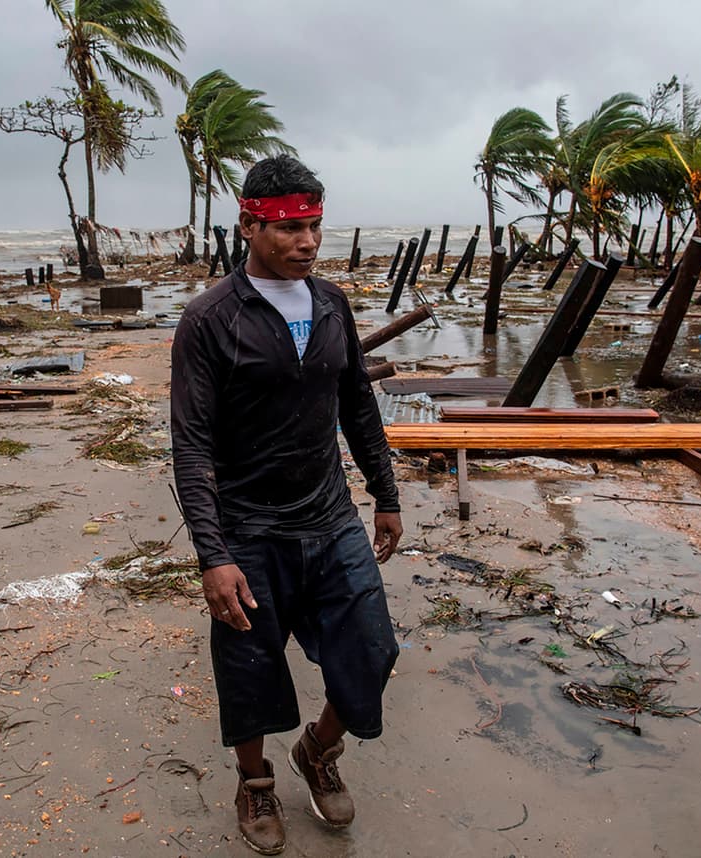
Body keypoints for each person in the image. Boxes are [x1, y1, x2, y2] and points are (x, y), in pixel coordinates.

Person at [170, 155, 401, 855]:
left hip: (329, 517)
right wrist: (213, 555)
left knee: (373, 649)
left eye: (314, 226)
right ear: (247, 226)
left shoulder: (331, 303)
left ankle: (317, 751)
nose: (306, 242)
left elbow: (357, 403)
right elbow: (191, 444)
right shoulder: (210, 319)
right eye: (290, 228)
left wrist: (384, 493)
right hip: (246, 525)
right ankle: (256, 781)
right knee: (249, 665)